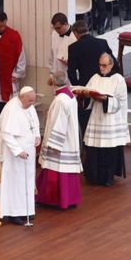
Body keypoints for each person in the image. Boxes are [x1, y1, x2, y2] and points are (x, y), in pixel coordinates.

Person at [79, 52, 129, 186]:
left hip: (110, 120)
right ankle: (93, 177)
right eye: (100, 65)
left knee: (108, 151)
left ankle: (107, 177)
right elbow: (88, 92)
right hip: (96, 117)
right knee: (93, 149)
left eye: (105, 65)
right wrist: (85, 95)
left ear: (111, 65)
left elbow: (121, 101)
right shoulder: (95, 77)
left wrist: (106, 100)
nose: (102, 68)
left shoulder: (118, 79)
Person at [37, 72, 82, 209]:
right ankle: (70, 198)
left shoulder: (60, 100)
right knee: (66, 171)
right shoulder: (69, 95)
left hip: (60, 144)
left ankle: (54, 200)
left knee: (56, 169)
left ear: (53, 82)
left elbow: (59, 123)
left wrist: (54, 144)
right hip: (69, 140)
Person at [0, 86, 40, 225]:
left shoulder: (29, 106)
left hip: (28, 151)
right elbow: (6, 134)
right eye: (29, 101)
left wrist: (37, 135)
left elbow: (35, 123)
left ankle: (27, 210)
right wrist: (18, 150)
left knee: (27, 180)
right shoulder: (11, 109)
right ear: (22, 97)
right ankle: (14, 213)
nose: (31, 104)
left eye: (33, 101)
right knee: (16, 181)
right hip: (14, 153)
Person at [48, 13, 74, 86]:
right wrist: (51, 74)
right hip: (56, 75)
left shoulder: (75, 36)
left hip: (69, 76)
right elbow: (52, 55)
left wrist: (70, 63)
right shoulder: (54, 34)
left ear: (65, 24)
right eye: (54, 28)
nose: (56, 30)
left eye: (58, 28)